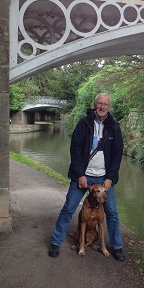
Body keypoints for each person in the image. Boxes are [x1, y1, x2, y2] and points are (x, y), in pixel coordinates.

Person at [48, 93, 125, 261]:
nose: (102, 107)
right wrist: (80, 175)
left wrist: (110, 178)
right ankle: (55, 242)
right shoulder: (84, 123)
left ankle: (117, 247)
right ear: (95, 104)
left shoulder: (114, 127)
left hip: (103, 178)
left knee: (112, 212)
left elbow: (118, 154)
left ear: (109, 107)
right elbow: (75, 149)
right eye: (99, 103)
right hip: (83, 177)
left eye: (105, 104)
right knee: (68, 208)